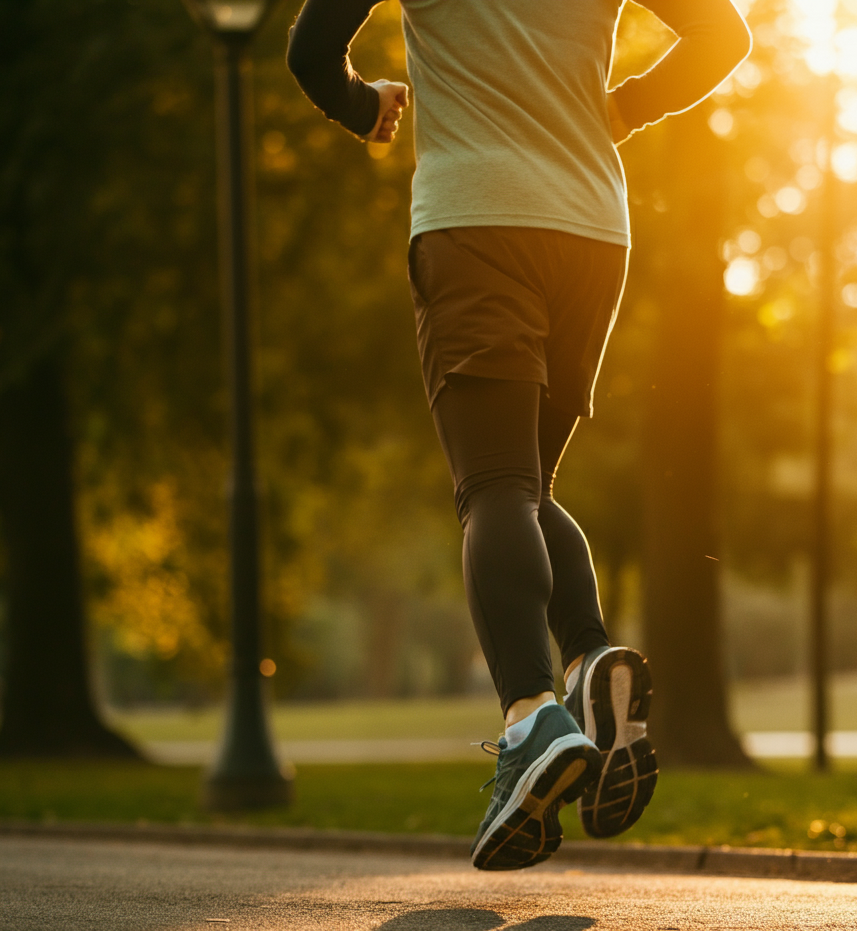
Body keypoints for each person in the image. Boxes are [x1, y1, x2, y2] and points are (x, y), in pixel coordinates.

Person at [287, 0, 751, 870]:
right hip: (589, 229)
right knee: (528, 487)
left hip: (476, 219)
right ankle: (588, 660)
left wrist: (366, 107)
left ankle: (530, 717)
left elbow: (313, 50)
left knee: (495, 489)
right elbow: (724, 36)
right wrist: (623, 107)